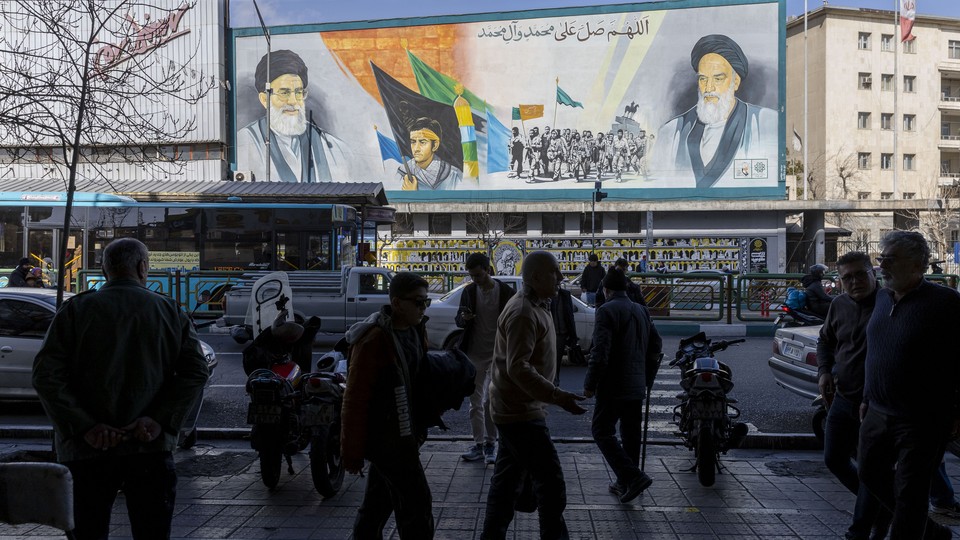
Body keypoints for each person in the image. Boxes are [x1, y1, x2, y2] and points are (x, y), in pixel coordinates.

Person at [32, 238, 209, 540]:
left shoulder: (76, 310)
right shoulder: (169, 311)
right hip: (149, 448)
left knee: (87, 532)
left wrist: (85, 426)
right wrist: (159, 420)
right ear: (142, 267)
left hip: (86, 451)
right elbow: (195, 371)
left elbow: (46, 376)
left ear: (105, 270)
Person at [858, 231, 959, 539]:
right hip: (877, 411)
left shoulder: (945, 303)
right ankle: (931, 532)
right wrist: (866, 397)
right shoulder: (882, 297)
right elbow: (875, 351)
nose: (882, 266)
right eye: (881, 258)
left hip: (922, 419)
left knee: (911, 492)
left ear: (917, 265)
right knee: (869, 473)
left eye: (890, 259)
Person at [481, 251, 587, 539]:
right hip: (520, 412)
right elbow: (518, 367)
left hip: (516, 408)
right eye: (555, 271)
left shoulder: (537, 305)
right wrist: (556, 395)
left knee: (506, 485)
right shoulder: (523, 312)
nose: (561, 277)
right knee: (551, 484)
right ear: (536, 277)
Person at [340, 272, 435, 538]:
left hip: (405, 434)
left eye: (426, 302)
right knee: (417, 506)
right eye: (418, 302)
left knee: (376, 506)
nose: (423, 308)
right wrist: (351, 453)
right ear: (396, 303)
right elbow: (355, 399)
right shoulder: (373, 340)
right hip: (387, 440)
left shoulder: (416, 330)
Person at [816, 251, 890, 540]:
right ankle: (884, 508)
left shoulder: (889, 303)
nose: (855, 281)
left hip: (877, 404)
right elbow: (825, 340)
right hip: (843, 397)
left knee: (872, 469)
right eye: (847, 277)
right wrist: (824, 371)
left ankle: (860, 530)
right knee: (834, 459)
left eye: (861, 274)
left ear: (874, 273)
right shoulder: (839, 305)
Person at [648, 34, 777, 189]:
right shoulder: (671, 132)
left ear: (735, 82)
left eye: (718, 79)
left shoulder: (765, 123)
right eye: (703, 79)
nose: (709, 88)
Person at [584, 268, 662, 503]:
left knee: (601, 431)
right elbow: (656, 345)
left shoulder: (606, 310)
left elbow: (600, 353)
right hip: (636, 384)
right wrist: (647, 377)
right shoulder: (641, 310)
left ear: (606, 290)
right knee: (631, 434)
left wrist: (590, 384)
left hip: (613, 385)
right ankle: (625, 482)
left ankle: (633, 477)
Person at [236, 49, 350, 183]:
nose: (293, 101)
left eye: (298, 92)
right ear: (264, 99)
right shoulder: (243, 144)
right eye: (284, 93)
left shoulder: (334, 148)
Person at [457, 253, 514, 464]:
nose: (475, 280)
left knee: (491, 401)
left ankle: (490, 444)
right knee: (475, 402)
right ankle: (479, 445)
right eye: (472, 276)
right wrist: (464, 318)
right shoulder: (469, 291)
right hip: (474, 353)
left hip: (498, 353)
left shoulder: (505, 292)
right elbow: (458, 319)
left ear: (488, 270)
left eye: (478, 275)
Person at [398, 117, 463, 190]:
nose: (416, 149)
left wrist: (412, 194)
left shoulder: (454, 175)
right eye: (413, 142)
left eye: (422, 142)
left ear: (435, 145)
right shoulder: (401, 174)